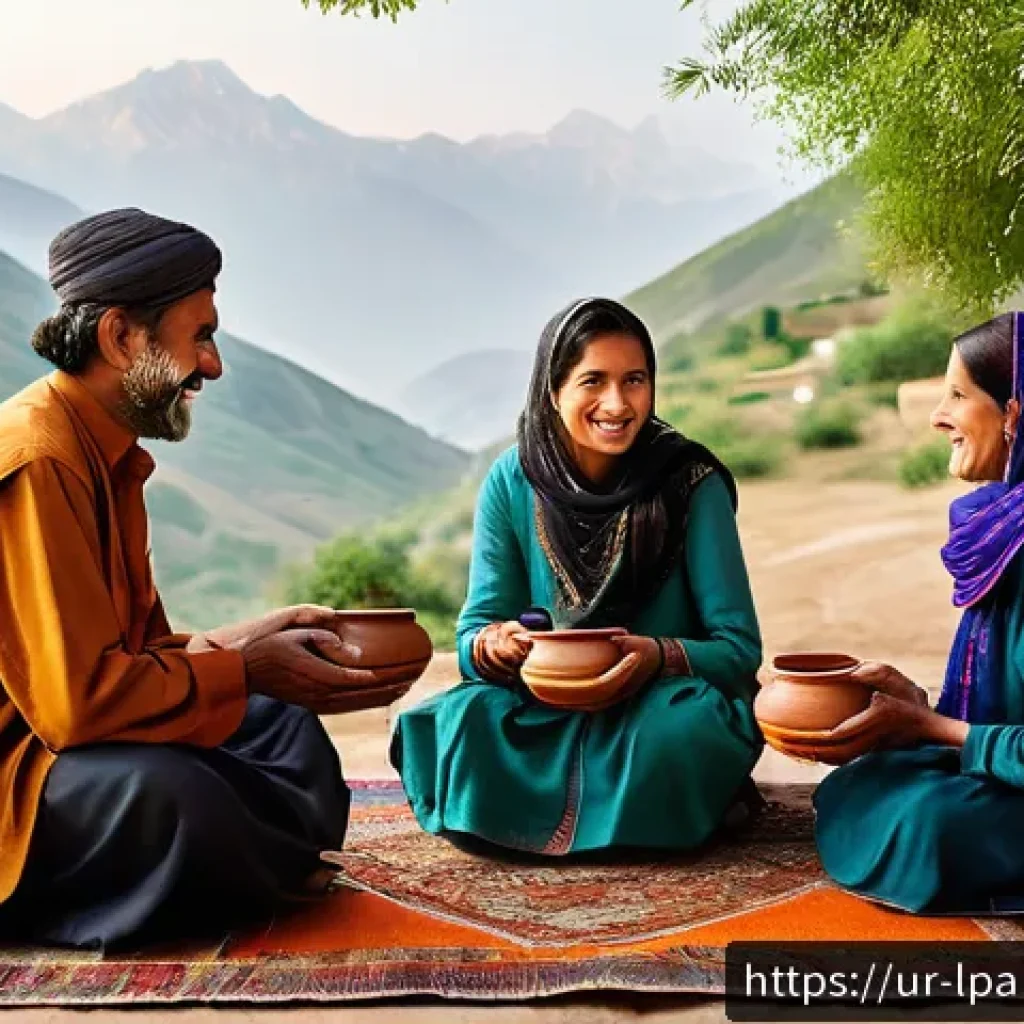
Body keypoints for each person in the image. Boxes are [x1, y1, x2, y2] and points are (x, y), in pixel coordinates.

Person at [0, 208, 413, 950]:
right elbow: (75, 710)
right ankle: (240, 863)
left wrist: (249, 645)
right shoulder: (41, 460)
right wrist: (242, 666)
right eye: (201, 337)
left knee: (282, 726)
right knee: (173, 797)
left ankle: (251, 864)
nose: (213, 366)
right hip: (20, 773)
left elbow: (138, 657)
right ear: (121, 337)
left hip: (80, 734)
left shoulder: (109, 454)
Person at [391, 297, 764, 855]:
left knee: (683, 734)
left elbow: (738, 651)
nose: (617, 403)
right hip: (546, 701)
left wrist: (653, 656)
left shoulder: (691, 482)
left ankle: (544, 823)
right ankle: (649, 819)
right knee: (458, 721)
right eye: (594, 381)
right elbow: (472, 637)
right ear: (553, 389)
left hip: (656, 705)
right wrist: (497, 644)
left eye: (634, 380)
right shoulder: (512, 478)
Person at [813, 311, 1024, 914]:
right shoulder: (1002, 524)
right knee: (861, 786)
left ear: (1015, 413)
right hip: (1004, 765)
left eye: (958, 395)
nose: (938, 417)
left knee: (928, 826)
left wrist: (931, 729)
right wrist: (917, 706)